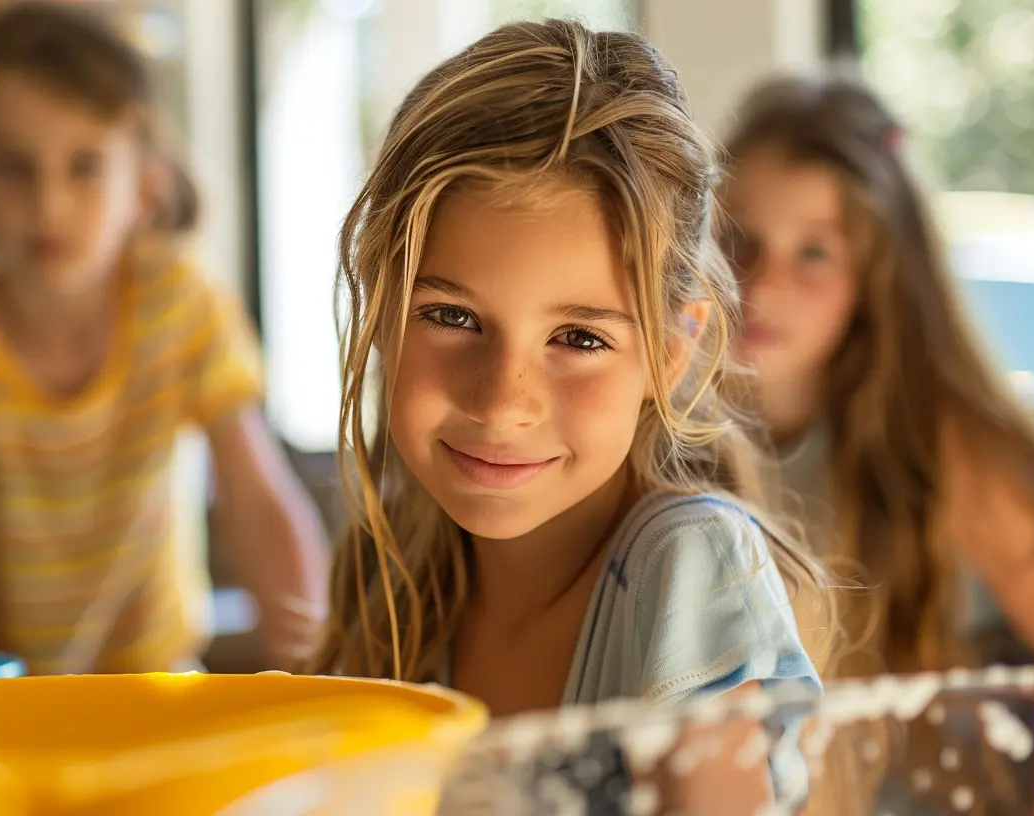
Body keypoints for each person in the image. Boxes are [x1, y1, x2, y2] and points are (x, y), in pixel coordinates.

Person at [303, 19, 838, 812]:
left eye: (578, 337)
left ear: (671, 351)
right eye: (451, 317)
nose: (503, 400)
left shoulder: (689, 571)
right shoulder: (390, 573)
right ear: (381, 309)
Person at [720, 71, 1034, 813]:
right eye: (739, 239)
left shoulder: (948, 446)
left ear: (878, 280)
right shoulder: (698, 436)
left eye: (815, 253)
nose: (762, 284)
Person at [0, 2, 328, 676]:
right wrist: (19, 723)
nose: (49, 205)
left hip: (159, 676)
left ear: (144, 185)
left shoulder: (181, 307)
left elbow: (256, 497)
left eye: (85, 166)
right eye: (15, 167)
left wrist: (319, 665)